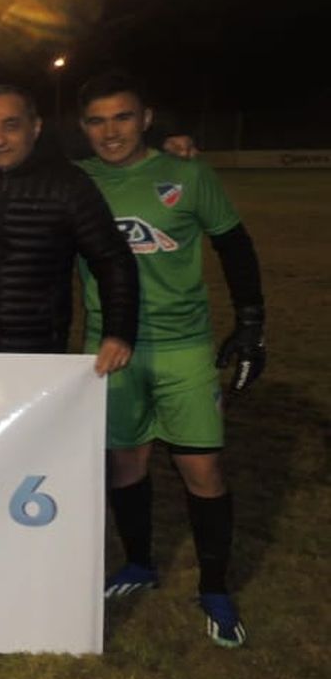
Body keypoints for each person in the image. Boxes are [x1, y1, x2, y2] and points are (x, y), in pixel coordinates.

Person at [76, 72, 265, 647]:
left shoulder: (186, 173)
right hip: (109, 348)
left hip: (183, 348)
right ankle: (138, 564)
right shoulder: (76, 181)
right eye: (97, 121)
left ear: (147, 118)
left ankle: (214, 587)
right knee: (125, 464)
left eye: (123, 117)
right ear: (83, 128)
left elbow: (234, 245)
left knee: (202, 469)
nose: (111, 132)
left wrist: (252, 326)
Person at [0, 85, 138, 376]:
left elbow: (112, 259)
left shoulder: (68, 185)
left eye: (11, 126)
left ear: (35, 127)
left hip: (37, 353)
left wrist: (118, 332)